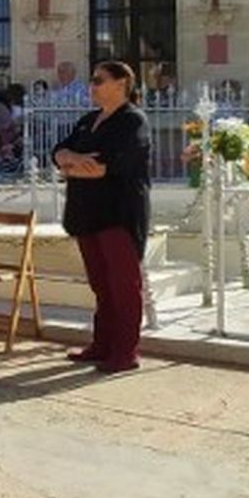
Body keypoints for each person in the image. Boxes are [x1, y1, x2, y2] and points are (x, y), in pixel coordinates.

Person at [53, 61, 152, 374]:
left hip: (117, 214)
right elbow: (59, 151)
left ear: (122, 83)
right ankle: (102, 344)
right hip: (87, 214)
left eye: (99, 80)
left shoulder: (132, 121)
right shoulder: (88, 121)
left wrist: (74, 164)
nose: (92, 86)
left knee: (123, 286)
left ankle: (125, 352)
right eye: (92, 80)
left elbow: (105, 167)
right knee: (101, 285)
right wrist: (71, 159)